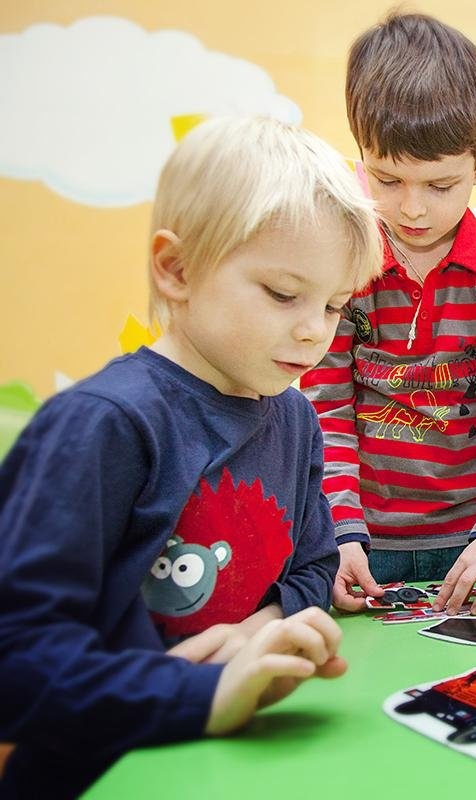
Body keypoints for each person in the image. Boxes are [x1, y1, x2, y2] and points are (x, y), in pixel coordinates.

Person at [0, 115, 383, 796]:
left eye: (335, 306)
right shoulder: (105, 424)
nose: (312, 330)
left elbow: (316, 563)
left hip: (232, 768)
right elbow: (16, 658)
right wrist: (200, 692)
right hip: (102, 776)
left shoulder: (294, 416)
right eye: (284, 294)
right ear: (176, 269)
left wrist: (259, 629)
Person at [303, 11, 476, 616]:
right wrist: (340, 529)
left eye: (440, 186)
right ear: (360, 154)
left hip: (474, 545)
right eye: (386, 179)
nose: (411, 209)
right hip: (363, 541)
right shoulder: (343, 270)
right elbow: (326, 406)